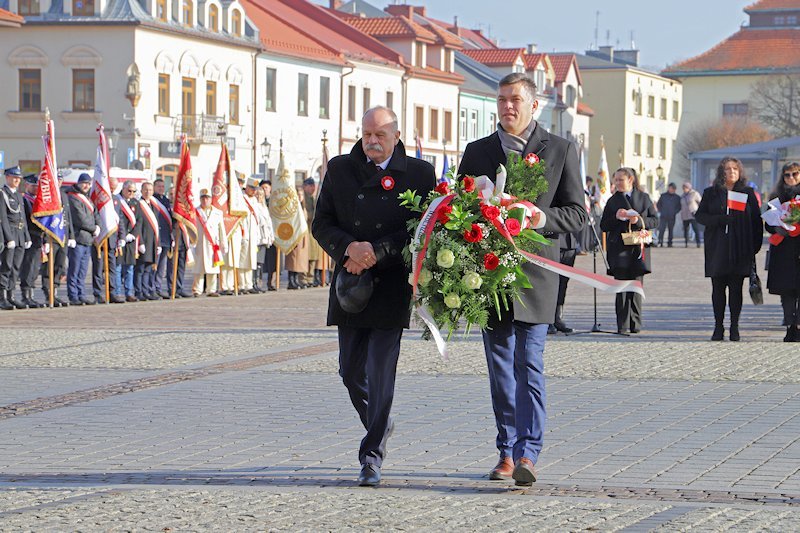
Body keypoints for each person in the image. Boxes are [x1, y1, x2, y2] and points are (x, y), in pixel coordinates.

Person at [457, 74, 588, 486]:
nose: (507, 107)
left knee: (529, 363)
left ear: (535, 105)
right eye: (501, 100)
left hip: (536, 275)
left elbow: (578, 214)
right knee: (500, 369)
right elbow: (457, 209)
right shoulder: (478, 152)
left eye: (515, 99)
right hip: (490, 275)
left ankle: (528, 452)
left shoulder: (561, 149)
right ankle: (506, 451)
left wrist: (538, 216)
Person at [312, 106, 435, 487]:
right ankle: (380, 423)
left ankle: (371, 455)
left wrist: (377, 251)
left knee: (381, 373)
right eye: (366, 134)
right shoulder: (340, 168)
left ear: (396, 135)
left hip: (391, 285)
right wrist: (349, 248)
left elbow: (422, 227)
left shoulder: (418, 173)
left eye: (380, 134)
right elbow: (321, 223)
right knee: (350, 373)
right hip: (351, 283)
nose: (372, 141)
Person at [695, 157, 763, 341]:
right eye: (728, 169)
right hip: (718, 248)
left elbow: (757, 222)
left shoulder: (747, 192)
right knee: (718, 289)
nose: (732, 172)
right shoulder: (711, 193)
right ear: (721, 172)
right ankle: (718, 326)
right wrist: (719, 220)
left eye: (735, 168)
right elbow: (700, 216)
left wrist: (754, 247)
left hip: (740, 248)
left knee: (736, 289)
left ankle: (734, 326)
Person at [600, 168, 658, 334]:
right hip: (619, 250)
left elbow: (655, 221)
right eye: (616, 180)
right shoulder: (612, 201)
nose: (617, 183)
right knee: (622, 287)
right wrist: (617, 217)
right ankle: (623, 324)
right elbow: (604, 225)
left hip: (638, 249)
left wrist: (638, 220)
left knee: (637, 287)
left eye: (620, 180)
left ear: (631, 180)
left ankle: (636, 323)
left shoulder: (644, 197)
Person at [765, 162, 800, 342]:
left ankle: (799, 325)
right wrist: (778, 228)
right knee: (786, 291)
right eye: (787, 175)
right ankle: (789, 325)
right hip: (783, 250)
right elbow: (767, 223)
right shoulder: (775, 197)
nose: (791, 178)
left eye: (795, 174)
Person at [40, 172, 74, 307]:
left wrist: (71, 235)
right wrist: (44, 239)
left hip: (63, 235)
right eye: (56, 180)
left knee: (60, 265)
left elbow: (68, 217)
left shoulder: (64, 195)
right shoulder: (47, 197)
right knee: (49, 267)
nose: (58, 182)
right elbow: (43, 218)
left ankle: (55, 292)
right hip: (51, 236)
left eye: (60, 180)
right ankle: (48, 293)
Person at [66, 173, 100, 306]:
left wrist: (98, 226)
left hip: (88, 239)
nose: (86, 186)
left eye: (88, 183)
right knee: (74, 269)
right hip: (78, 237)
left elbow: (95, 213)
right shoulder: (73, 198)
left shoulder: (88, 198)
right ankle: (73, 295)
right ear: (78, 183)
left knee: (83, 270)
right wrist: (93, 228)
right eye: (84, 183)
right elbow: (80, 219)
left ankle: (81, 294)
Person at [0, 166, 32, 310]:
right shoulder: (2, 194)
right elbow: (2, 218)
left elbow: (23, 218)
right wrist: (8, 238)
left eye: (18, 178)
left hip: (19, 234)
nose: (17, 180)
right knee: (6, 267)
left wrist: (26, 236)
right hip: (10, 235)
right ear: (7, 177)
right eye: (14, 178)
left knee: (16, 267)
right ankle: (2, 297)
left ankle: (11, 296)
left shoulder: (19, 196)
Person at [192, 189, 226, 297]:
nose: (205, 200)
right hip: (200, 243)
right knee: (199, 268)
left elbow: (222, 230)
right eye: (203, 198)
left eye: (207, 198)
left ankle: (211, 289)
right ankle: (197, 289)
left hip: (213, 244)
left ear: (211, 199)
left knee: (213, 267)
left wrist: (223, 243)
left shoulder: (218, 212)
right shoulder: (195, 212)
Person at [19, 174, 44, 308]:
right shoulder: (24, 200)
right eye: (33, 185)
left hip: (38, 237)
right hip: (29, 236)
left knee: (35, 268)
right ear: (27, 185)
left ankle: (31, 295)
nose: (35, 188)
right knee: (28, 267)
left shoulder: (39, 201)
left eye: (37, 186)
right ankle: (25, 295)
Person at [134, 181, 161, 300]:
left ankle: (146, 290)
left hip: (153, 241)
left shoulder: (154, 205)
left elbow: (157, 226)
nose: (148, 192)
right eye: (145, 190)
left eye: (150, 190)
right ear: (141, 190)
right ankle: (138, 291)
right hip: (143, 240)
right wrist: (140, 242)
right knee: (140, 268)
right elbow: (137, 225)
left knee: (149, 268)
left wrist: (158, 243)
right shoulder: (138, 204)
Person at [548, 232, 577, 335]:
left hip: (569, 243)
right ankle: (548, 320)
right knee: (550, 283)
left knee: (563, 284)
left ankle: (557, 318)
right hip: (551, 241)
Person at [115, 181, 138, 302]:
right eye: (129, 191)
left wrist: (133, 234)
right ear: (123, 189)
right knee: (118, 267)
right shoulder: (117, 201)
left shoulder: (135, 203)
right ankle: (117, 292)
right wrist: (123, 236)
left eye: (134, 191)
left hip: (131, 240)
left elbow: (139, 221)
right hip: (119, 239)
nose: (131, 193)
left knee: (129, 267)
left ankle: (129, 292)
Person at [238, 177, 262, 294]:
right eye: (252, 188)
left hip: (253, 234)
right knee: (243, 260)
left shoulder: (254, 201)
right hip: (245, 233)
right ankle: (241, 284)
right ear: (246, 187)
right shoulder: (242, 199)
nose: (254, 191)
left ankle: (249, 283)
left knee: (251, 260)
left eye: (255, 189)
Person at [151, 178, 174, 298]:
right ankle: (152, 288)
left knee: (162, 266)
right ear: (154, 187)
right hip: (156, 237)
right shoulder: (152, 200)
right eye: (158, 186)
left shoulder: (165, 201)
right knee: (154, 264)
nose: (161, 188)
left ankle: (158, 287)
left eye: (162, 186)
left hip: (165, 237)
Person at [285, 188, 309, 290]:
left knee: (298, 261)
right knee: (293, 260)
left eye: (301, 195)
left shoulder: (303, 207)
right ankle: (291, 281)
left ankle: (295, 279)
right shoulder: (292, 207)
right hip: (294, 236)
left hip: (302, 237)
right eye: (298, 194)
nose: (300, 197)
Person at [302, 178, 323, 287]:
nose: (312, 188)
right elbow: (307, 214)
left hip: (313, 229)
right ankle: (305, 278)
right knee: (307, 256)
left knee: (314, 255)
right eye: (310, 186)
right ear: (305, 186)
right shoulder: (303, 199)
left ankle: (311, 277)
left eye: (313, 186)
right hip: (306, 229)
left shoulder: (313, 198)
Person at [253, 186, 274, 292]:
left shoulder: (264, 207)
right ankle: (254, 282)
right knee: (255, 262)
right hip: (256, 237)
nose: (259, 197)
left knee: (260, 262)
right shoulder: (254, 206)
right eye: (257, 194)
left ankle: (259, 282)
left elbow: (269, 223)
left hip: (264, 238)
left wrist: (271, 236)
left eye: (261, 195)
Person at [260, 179, 278, 290]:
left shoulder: (274, 201)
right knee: (261, 260)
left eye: (266, 187)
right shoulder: (258, 202)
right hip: (261, 235)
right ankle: (259, 281)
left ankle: (271, 282)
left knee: (272, 261)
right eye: (262, 188)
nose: (264, 190)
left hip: (273, 234)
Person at [656, 182, 681, 247]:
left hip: (672, 216)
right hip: (663, 216)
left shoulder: (677, 197)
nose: (671, 190)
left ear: (674, 189)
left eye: (672, 189)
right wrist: (661, 211)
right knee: (662, 229)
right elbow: (659, 204)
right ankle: (660, 241)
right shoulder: (663, 196)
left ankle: (670, 242)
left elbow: (679, 207)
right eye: (670, 188)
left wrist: (674, 212)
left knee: (671, 230)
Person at [680, 182, 703, 247]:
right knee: (685, 230)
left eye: (686, 188)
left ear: (689, 188)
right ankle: (686, 243)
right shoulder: (682, 196)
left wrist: (698, 211)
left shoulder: (694, 194)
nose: (684, 189)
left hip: (693, 214)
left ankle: (698, 243)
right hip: (685, 216)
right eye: (683, 188)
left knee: (695, 229)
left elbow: (701, 202)